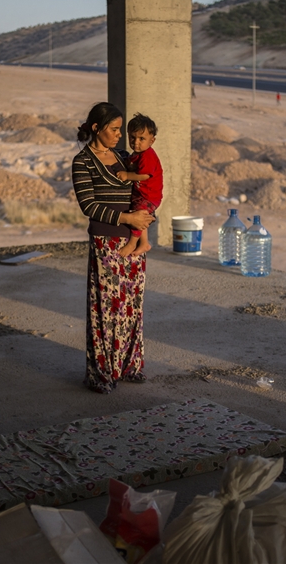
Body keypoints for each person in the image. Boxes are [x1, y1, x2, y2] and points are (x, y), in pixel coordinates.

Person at [72, 102, 154, 394]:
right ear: (96, 129)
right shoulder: (82, 162)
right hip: (106, 241)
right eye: (114, 129)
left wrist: (141, 220)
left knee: (132, 305)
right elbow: (88, 205)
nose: (120, 135)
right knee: (107, 308)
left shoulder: (123, 158)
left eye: (121, 129)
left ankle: (129, 366)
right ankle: (102, 374)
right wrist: (126, 218)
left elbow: (146, 185)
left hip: (133, 239)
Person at [116, 113, 163, 258]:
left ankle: (132, 243)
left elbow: (145, 175)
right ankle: (144, 243)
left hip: (149, 196)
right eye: (132, 137)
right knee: (139, 214)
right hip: (143, 194)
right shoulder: (137, 154)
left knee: (138, 215)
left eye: (141, 139)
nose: (136, 142)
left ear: (152, 140)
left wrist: (127, 175)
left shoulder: (147, 155)